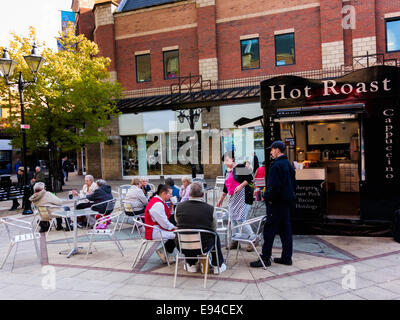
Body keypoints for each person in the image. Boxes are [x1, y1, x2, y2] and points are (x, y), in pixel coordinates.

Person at [250, 140, 296, 268]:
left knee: (269, 230)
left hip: (276, 203)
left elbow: (274, 186)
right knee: (286, 231)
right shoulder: (288, 164)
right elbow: (293, 184)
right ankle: (287, 258)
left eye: (272, 150)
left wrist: (267, 197)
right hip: (286, 203)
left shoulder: (276, 166)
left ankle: (265, 258)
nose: (270, 152)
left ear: (277, 150)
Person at [174, 182, 227, 274]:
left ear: (189, 194)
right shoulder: (210, 209)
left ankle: (191, 264)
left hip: (183, 246)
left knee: (186, 232)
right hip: (204, 245)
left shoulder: (179, 207)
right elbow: (214, 228)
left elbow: (178, 222)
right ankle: (217, 265)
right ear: (203, 194)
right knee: (215, 236)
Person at [216, 151, 256, 252]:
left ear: (232, 159)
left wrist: (241, 185)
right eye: (224, 161)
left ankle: (253, 239)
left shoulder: (239, 167)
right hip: (233, 199)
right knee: (233, 219)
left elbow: (250, 178)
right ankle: (235, 240)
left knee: (241, 219)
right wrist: (221, 199)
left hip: (244, 197)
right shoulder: (227, 171)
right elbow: (226, 187)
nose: (225, 163)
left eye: (226, 160)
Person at [144, 184, 176, 264]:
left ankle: (165, 252)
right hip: (154, 231)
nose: (171, 196)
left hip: (155, 228)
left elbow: (167, 215)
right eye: (170, 194)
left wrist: (172, 205)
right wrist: (174, 228)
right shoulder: (158, 204)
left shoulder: (159, 201)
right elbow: (164, 223)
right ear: (164, 194)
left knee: (177, 233)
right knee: (178, 235)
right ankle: (165, 252)